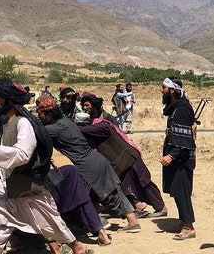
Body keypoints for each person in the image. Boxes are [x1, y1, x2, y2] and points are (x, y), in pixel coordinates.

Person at [0, 78, 91, 254]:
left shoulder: (23, 123)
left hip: (26, 187)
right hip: (3, 187)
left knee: (51, 225)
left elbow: (23, 154)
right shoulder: (4, 122)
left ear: (9, 100)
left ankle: (77, 248)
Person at [35, 97, 142, 233]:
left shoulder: (54, 128)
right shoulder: (67, 122)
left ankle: (97, 224)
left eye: (41, 114)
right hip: (97, 160)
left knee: (81, 197)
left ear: (49, 115)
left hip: (86, 167)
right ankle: (133, 222)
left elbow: (37, 133)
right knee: (112, 193)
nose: (39, 117)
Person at [77, 111, 168, 218]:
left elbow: (81, 130)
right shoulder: (95, 126)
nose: (85, 108)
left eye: (88, 105)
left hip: (128, 158)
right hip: (119, 163)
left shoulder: (102, 126)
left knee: (144, 182)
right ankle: (137, 206)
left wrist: (66, 126)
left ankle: (161, 207)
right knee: (123, 187)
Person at [160, 77, 197, 240]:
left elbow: (185, 138)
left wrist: (171, 155)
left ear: (172, 90)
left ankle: (189, 227)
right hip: (176, 156)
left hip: (181, 159)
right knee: (176, 191)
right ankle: (184, 221)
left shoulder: (182, 108)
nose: (161, 91)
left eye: (164, 88)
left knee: (182, 192)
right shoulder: (175, 107)